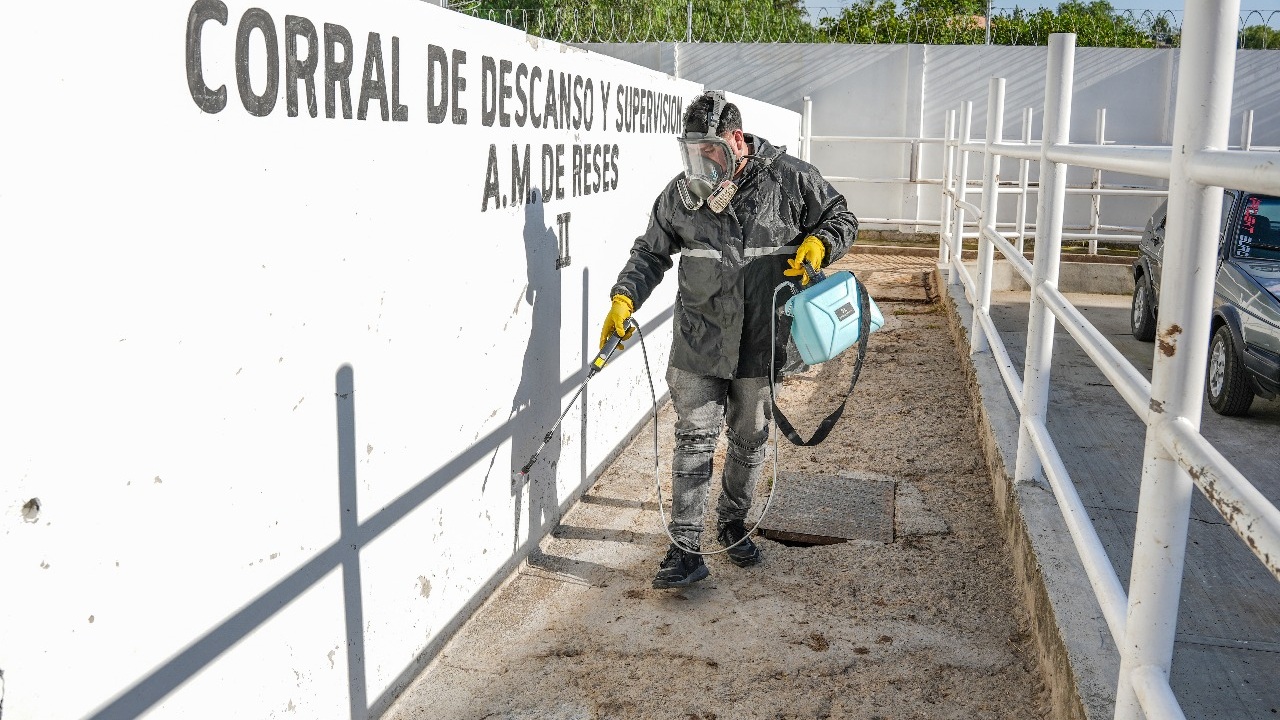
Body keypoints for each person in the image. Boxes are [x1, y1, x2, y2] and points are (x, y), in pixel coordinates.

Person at [599, 90, 860, 589]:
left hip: (761, 342)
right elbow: (650, 253)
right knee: (694, 439)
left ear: (736, 140)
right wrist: (624, 298)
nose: (700, 161)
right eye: (691, 150)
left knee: (748, 439)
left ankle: (733, 525)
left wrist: (820, 242)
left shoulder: (789, 178)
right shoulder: (680, 196)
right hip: (700, 339)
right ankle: (685, 549)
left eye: (709, 149)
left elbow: (842, 216)